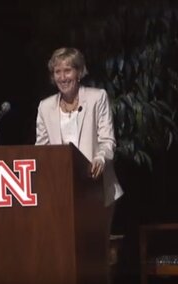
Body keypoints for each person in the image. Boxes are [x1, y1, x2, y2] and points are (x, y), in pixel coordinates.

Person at [35, 47, 123, 281]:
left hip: (95, 188)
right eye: (57, 72)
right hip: (61, 194)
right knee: (63, 254)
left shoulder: (97, 97)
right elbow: (41, 150)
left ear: (80, 72)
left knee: (93, 255)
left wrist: (100, 158)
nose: (63, 77)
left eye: (68, 70)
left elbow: (108, 141)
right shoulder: (45, 107)